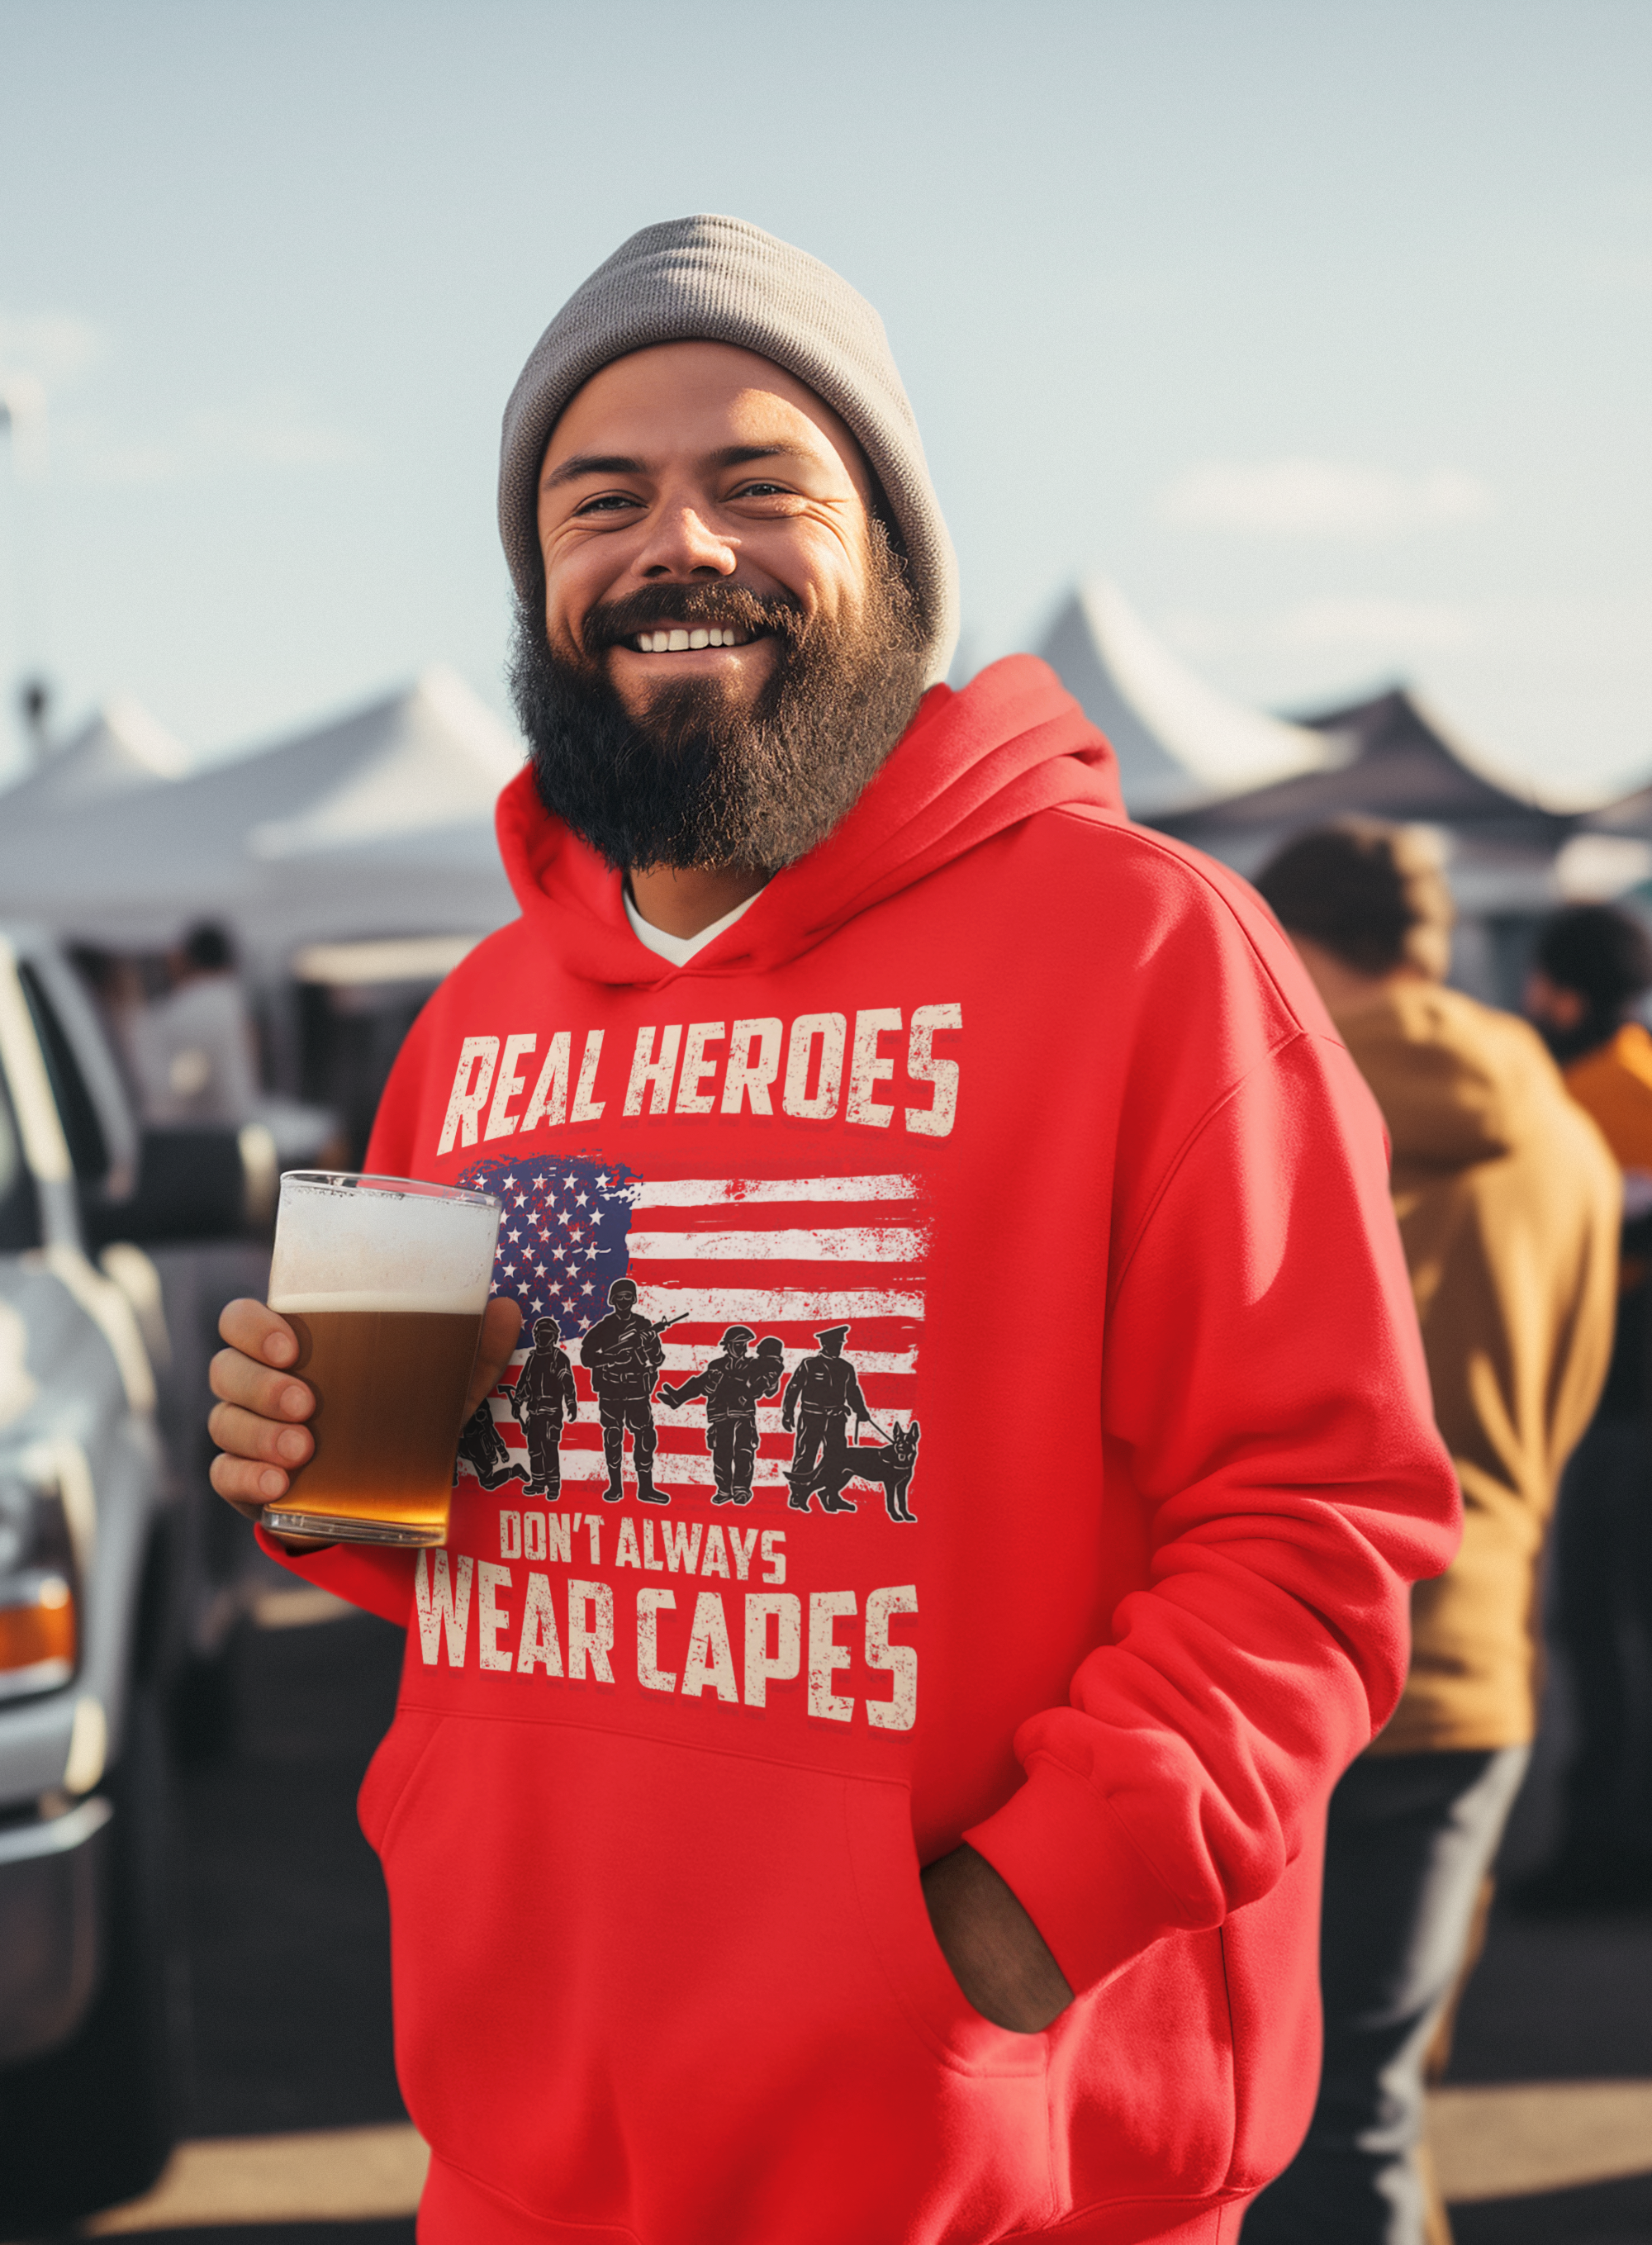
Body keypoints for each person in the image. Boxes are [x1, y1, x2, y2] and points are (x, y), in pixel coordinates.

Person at [206, 216, 1458, 2245]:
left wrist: (1011, 1927)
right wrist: (318, 1492)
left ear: (885, 545)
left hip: (983, 2171)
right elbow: (428, 1539)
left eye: (757, 480)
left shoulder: (1141, 951)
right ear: (543, 583)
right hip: (525, 2158)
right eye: (599, 499)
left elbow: (1319, 1530)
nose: (672, 541)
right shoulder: (475, 1019)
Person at [1244, 823, 1617, 2245]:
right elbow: (1575, 1389)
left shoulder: (1268, 1106)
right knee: (1377, 2101)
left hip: (1286, 1672)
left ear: (1280, 939)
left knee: (1291, 2123)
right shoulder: (1569, 1126)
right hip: (1481, 1667)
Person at [1520, 902, 1652, 1906]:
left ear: (1566, 991)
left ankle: (1606, 1852)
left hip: (1611, 1411)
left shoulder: (1566, 1103)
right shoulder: (1639, 1081)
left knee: (1601, 1636)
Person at [125, 920, 261, 1125]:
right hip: (225, 1127)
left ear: (181, 959)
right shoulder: (230, 1000)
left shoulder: (168, 1016)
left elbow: (157, 1093)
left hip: (194, 1133)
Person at [659, 1324, 784, 1504]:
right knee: (722, 1454)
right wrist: (712, 1383)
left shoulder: (754, 1365)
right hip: (721, 1415)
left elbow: (769, 1387)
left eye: (744, 1344)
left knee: (744, 1452)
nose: (742, 1348)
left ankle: (741, 1489)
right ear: (728, 1345)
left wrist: (768, 1378)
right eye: (738, 1344)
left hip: (743, 1415)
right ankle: (724, 1490)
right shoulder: (717, 1365)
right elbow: (704, 1387)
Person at [579, 1277, 667, 1503]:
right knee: (613, 1437)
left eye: (628, 1297)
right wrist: (612, 1357)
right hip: (611, 1389)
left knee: (646, 1437)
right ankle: (615, 1487)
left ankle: (646, 1489)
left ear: (634, 1299)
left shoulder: (643, 1325)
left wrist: (648, 1343)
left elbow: (657, 1358)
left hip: (637, 1389)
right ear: (613, 1300)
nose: (624, 1301)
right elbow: (586, 1356)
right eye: (620, 1297)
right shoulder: (604, 1327)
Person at [782, 1322, 874, 1513]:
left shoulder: (846, 1368)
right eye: (836, 1344)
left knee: (837, 1459)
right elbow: (793, 1388)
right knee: (805, 1456)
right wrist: (788, 1412)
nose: (839, 1347)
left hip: (836, 1419)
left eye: (841, 1344)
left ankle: (831, 1496)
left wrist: (861, 1411)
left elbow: (853, 1392)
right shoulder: (809, 1364)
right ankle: (798, 1495)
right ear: (825, 1344)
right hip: (811, 1418)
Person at [510, 1315, 580, 1498]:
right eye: (540, 1335)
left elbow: (568, 1383)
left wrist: (571, 1403)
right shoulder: (532, 1359)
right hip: (534, 1414)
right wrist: (517, 1402)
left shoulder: (559, 1358)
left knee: (549, 1450)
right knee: (534, 1450)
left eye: (547, 1335)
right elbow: (524, 1384)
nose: (543, 1338)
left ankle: (554, 1487)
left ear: (554, 1337)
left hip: (552, 1415)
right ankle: (538, 1484)